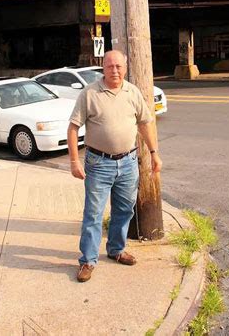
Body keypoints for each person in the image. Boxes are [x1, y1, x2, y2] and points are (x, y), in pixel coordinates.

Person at [67, 50, 162, 283]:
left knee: (124, 210)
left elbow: (146, 123)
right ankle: (88, 260)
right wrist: (73, 161)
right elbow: (73, 128)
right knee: (93, 214)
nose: (115, 70)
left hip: (128, 162)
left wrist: (154, 153)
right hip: (98, 163)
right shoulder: (89, 93)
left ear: (125, 68)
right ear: (103, 68)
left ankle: (116, 250)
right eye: (110, 66)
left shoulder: (132, 92)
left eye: (119, 66)